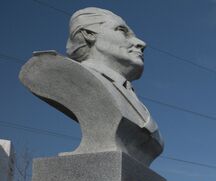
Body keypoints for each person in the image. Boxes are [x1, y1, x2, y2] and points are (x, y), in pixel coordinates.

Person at [20, 7, 163, 166]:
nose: (141, 43)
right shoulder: (51, 70)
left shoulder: (134, 97)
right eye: (122, 31)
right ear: (88, 34)